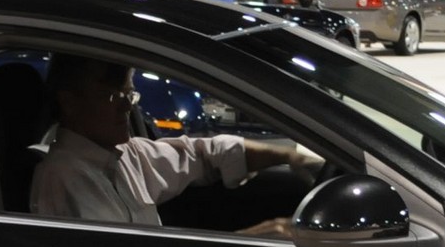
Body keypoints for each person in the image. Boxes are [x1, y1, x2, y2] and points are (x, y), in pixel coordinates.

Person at [32, 55, 315, 231]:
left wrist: (289, 156)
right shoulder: (64, 175)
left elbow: (203, 154)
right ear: (69, 102)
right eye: (112, 96)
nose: (127, 107)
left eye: (129, 95)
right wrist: (253, 240)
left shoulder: (128, 154)